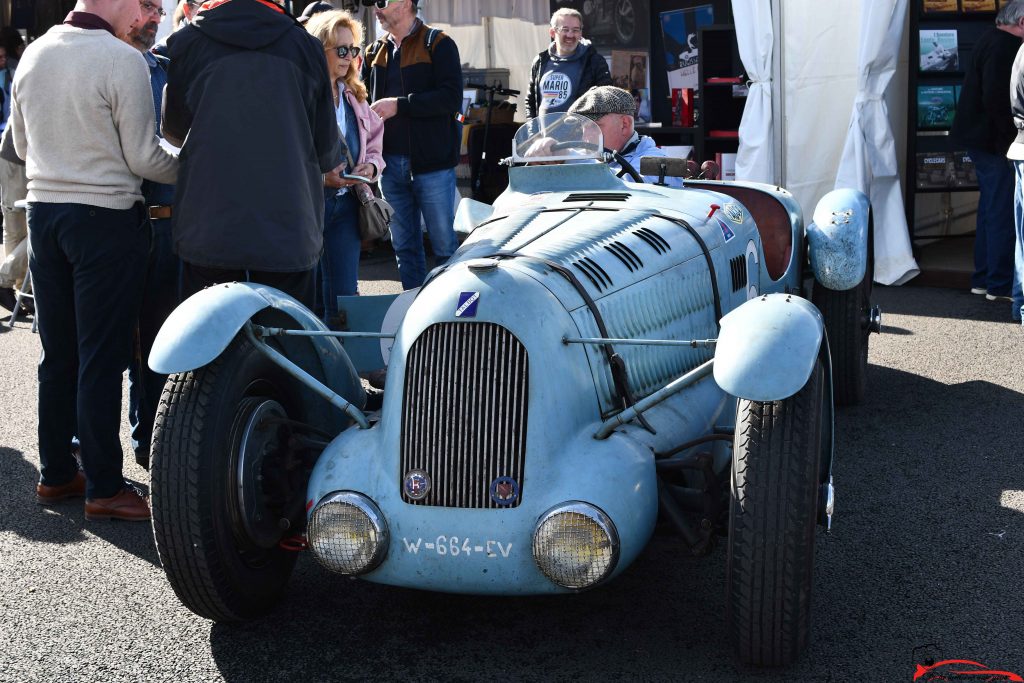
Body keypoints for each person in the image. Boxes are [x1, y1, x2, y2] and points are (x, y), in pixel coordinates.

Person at [10, 0, 178, 521]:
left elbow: (17, 145)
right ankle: (105, 486)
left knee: (58, 355)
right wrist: (192, 158)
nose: (148, 15)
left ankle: (57, 473)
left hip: (45, 213)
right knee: (102, 357)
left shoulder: (33, 54)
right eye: (146, 4)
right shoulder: (120, 58)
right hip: (104, 217)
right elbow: (144, 159)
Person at [162, 0, 343, 308]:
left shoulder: (186, 43)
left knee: (210, 346)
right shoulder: (305, 46)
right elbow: (327, 152)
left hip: (209, 226)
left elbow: (174, 133)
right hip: (288, 228)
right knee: (288, 348)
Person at [363, 0, 462, 290]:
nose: (375, 9)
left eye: (382, 2)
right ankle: (413, 314)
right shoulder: (373, 51)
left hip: (431, 165)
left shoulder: (439, 43)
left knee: (445, 249)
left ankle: (451, 321)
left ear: (406, 3)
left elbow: (451, 99)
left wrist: (400, 106)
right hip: (390, 165)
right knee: (404, 247)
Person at [125, 0, 180, 471]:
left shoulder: (168, 68)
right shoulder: (110, 62)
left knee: (158, 339)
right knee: (111, 341)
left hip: (169, 223)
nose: (154, 17)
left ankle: (148, 442)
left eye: (158, 9)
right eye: (146, 7)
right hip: (115, 218)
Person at [307, 10, 384, 325]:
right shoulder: (301, 94)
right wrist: (321, 178)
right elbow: (285, 154)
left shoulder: (354, 94)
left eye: (353, 49)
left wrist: (371, 167)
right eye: (341, 49)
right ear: (318, 48)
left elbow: (377, 140)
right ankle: (316, 368)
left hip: (349, 205)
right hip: (309, 206)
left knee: (345, 295)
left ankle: (349, 365)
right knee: (309, 297)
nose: (349, 56)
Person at [953, 1, 1024, 307]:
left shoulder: (988, 38)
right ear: (1021, 21)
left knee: (990, 210)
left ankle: (984, 280)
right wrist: (1008, 141)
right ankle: (998, 282)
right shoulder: (1006, 46)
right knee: (1001, 212)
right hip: (993, 143)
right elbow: (997, 100)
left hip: (981, 140)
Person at [567, 85, 683, 187]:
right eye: (582, 128)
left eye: (594, 126)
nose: (585, 137)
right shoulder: (585, 156)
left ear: (624, 125)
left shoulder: (657, 161)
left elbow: (630, 187)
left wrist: (567, 158)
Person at [525, 8, 611, 120]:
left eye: (575, 30)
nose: (570, 35)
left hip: (581, 136)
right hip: (544, 136)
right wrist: (533, 135)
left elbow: (606, 100)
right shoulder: (540, 61)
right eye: (565, 29)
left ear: (580, 33)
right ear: (552, 32)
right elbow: (530, 102)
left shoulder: (594, 61)